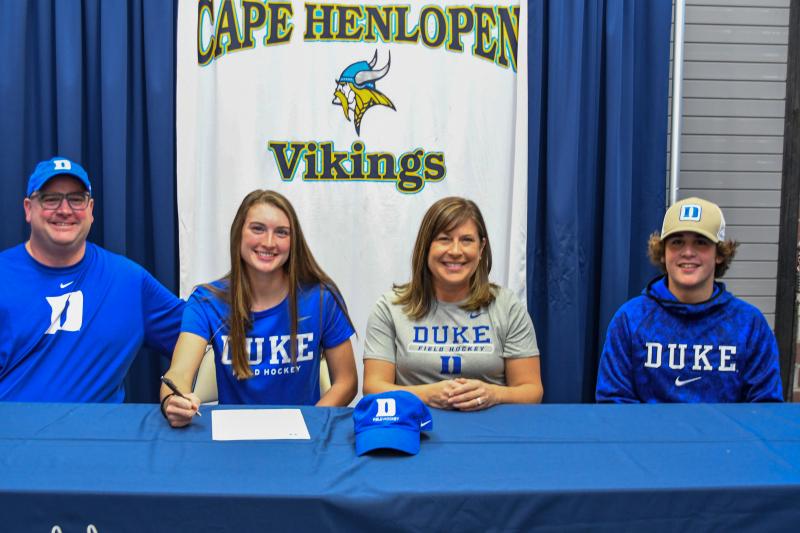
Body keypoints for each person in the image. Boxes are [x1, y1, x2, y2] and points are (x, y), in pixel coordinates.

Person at [161, 190, 357, 426]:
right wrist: (173, 400)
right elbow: (178, 374)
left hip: (303, 441)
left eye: (281, 233)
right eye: (258, 228)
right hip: (234, 440)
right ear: (238, 234)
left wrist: (309, 424)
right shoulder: (206, 302)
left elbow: (347, 382)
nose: (269, 242)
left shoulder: (322, 299)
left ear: (293, 242)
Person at [0, 156, 185, 402]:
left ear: (91, 210)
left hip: (97, 438)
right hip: (12, 437)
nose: (64, 210)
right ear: (28, 208)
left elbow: (205, 335)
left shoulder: (128, 281)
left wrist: (174, 391)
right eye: (51, 199)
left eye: (76, 199)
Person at [362, 196, 543, 410]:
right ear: (426, 246)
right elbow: (372, 388)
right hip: (414, 429)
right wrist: (426, 395)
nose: (456, 251)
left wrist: (493, 393)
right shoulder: (390, 307)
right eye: (444, 239)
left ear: (481, 247)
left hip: (492, 430)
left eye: (467, 240)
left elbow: (531, 390)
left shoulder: (507, 306)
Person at [596, 197, 783, 403]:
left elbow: (765, 407)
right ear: (663, 252)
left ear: (719, 253)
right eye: (677, 242)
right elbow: (613, 404)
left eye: (700, 242)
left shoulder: (749, 325)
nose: (687, 252)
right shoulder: (630, 320)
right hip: (648, 436)